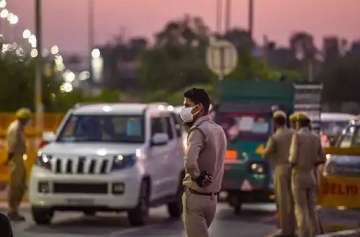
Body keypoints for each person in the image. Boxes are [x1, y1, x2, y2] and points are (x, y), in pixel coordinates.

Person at [179, 88, 227, 237]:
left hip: (195, 197)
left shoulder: (198, 131)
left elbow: (190, 163)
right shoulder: (218, 130)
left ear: (198, 108)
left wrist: (197, 177)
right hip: (212, 199)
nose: (184, 110)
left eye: (187, 105)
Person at [289, 113, 325, 237]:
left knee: (300, 208)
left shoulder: (297, 136)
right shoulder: (316, 137)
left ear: (298, 123)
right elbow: (322, 158)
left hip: (299, 175)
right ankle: (315, 233)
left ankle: (303, 233)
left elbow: (293, 158)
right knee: (312, 207)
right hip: (311, 175)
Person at [263, 111, 295, 237]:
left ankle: (285, 230)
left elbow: (266, 154)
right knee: (293, 201)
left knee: (282, 201)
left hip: (281, 170)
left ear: (275, 122)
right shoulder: (293, 134)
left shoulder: (275, 137)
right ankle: (293, 228)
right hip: (293, 170)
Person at [6, 108, 31, 221]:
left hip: (19, 158)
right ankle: (12, 210)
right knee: (15, 185)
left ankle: (15, 209)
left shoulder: (19, 128)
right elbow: (12, 146)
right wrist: (9, 160)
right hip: (16, 158)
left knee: (21, 184)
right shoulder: (15, 128)